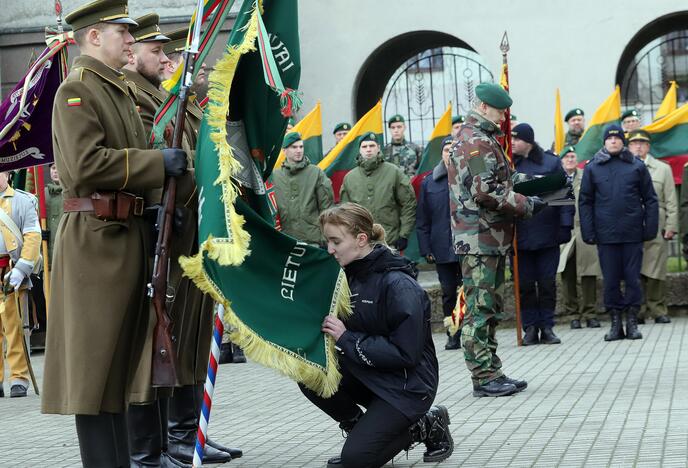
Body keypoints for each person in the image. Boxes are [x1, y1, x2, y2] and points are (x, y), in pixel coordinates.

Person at [40, 2, 189, 466]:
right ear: (92, 37)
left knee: (122, 373)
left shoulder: (118, 90)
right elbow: (83, 167)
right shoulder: (76, 92)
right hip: (97, 242)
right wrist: (154, 163)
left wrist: (164, 200)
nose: (131, 40)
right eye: (121, 33)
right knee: (95, 375)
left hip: (128, 234)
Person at [301, 202, 453, 468]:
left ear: (361, 239)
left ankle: (424, 425)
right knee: (310, 372)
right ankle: (363, 430)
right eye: (327, 241)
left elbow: (406, 353)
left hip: (407, 387)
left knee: (356, 461)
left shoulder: (399, 285)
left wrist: (346, 338)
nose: (330, 249)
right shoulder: (346, 276)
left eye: (336, 241)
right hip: (370, 375)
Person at [158, 26, 243, 465]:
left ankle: (190, 431)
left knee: (192, 338)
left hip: (195, 239)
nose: (206, 72)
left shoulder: (193, 110)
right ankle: (177, 435)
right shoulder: (169, 111)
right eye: (198, 66)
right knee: (174, 337)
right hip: (175, 242)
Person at [448, 82, 545, 397]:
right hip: (479, 238)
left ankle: (492, 371)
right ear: (485, 107)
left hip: (489, 237)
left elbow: (503, 178)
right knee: (480, 308)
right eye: (502, 110)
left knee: (490, 306)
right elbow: (485, 189)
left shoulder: (484, 139)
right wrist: (526, 204)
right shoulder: (474, 142)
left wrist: (543, 184)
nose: (505, 117)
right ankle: (483, 376)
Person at [579, 125, 658, 342]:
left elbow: (650, 199)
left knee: (632, 279)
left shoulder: (636, 166)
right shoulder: (593, 168)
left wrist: (649, 228)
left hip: (632, 233)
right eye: (609, 138)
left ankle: (632, 321)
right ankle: (615, 323)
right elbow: (585, 201)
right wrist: (589, 231)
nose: (613, 141)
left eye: (617, 138)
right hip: (606, 235)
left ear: (623, 141)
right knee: (611, 279)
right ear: (604, 142)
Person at [512, 123, 573, 346]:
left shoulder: (550, 162)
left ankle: (547, 326)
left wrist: (565, 225)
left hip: (548, 233)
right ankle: (529, 327)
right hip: (520, 235)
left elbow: (563, 194)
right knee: (525, 285)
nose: (513, 143)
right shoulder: (509, 164)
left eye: (517, 139)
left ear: (528, 141)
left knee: (547, 283)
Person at [416, 136, 462, 350]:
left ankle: (471, 332)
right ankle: (452, 332)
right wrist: (426, 248)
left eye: (454, 149)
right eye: (446, 150)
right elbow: (423, 219)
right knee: (448, 292)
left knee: (469, 291)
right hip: (442, 247)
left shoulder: (467, 176)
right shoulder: (430, 181)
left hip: (467, 246)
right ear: (441, 154)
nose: (450, 153)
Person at [627, 130, 677, 324]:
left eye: (642, 143)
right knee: (634, 267)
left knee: (656, 267)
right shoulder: (624, 167)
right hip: (631, 222)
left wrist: (671, 225)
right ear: (629, 147)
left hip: (657, 221)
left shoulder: (662, 168)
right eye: (634, 143)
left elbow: (671, 199)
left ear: (648, 146)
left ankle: (657, 309)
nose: (638, 146)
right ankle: (638, 309)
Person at [0, 171, 41, 399]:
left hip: (11, 271)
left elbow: (33, 238)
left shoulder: (23, 201)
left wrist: (21, 269)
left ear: (7, 173)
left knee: (15, 327)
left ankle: (18, 377)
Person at [340, 133, 416, 251]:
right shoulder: (349, 178)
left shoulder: (394, 172)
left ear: (379, 148)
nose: (368, 150)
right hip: (360, 244)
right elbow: (345, 212)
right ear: (359, 150)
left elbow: (408, 203)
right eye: (364, 147)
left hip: (389, 241)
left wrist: (403, 234)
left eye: (372, 146)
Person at [558, 146, 601, 329]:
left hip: (585, 229)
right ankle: (573, 314)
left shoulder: (587, 175)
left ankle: (590, 313)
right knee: (567, 274)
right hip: (565, 231)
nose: (570, 159)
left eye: (573, 156)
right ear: (561, 161)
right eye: (566, 156)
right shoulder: (557, 179)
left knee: (589, 272)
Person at [272, 132, 334, 245]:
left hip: (313, 240)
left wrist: (326, 238)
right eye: (294, 147)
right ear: (284, 150)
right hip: (286, 240)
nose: (299, 150)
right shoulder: (275, 176)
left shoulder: (316, 173)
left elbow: (327, 208)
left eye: (301, 146)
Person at [45, 163, 64, 266]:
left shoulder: (71, 193)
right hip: (47, 252)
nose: (55, 171)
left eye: (58, 167)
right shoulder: (43, 194)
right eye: (53, 168)